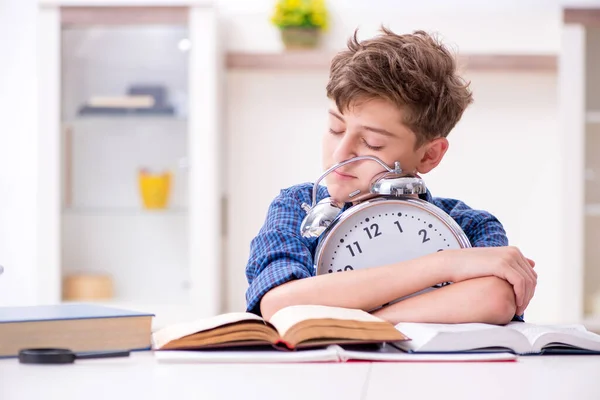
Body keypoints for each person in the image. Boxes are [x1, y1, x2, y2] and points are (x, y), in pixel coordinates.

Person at [244, 27, 537, 324]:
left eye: (372, 143)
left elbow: (494, 298)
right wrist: (445, 264)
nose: (340, 154)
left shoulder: (470, 226)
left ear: (428, 155)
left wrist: (364, 324)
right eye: (336, 129)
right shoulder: (297, 206)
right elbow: (278, 302)